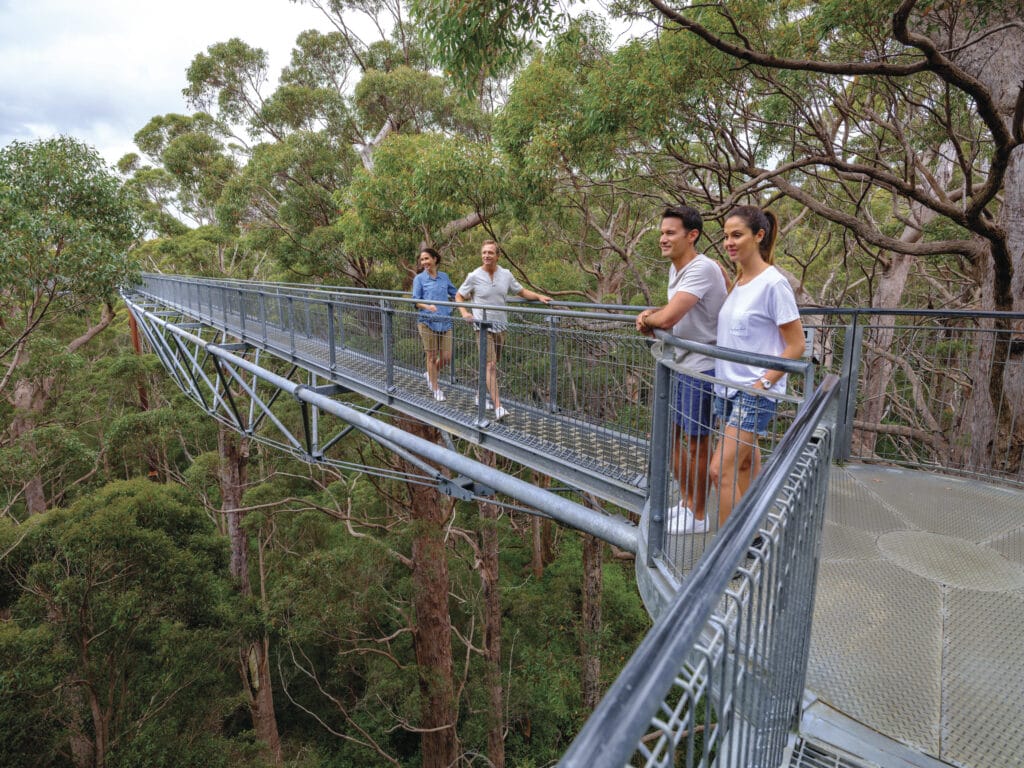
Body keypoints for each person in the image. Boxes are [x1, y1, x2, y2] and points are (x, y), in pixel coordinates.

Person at [709, 205, 805, 528]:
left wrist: (764, 383)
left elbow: (797, 346)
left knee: (719, 470)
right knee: (746, 463)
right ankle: (754, 533)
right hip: (729, 388)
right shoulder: (739, 281)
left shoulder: (773, 284)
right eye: (725, 236)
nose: (729, 242)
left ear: (758, 235)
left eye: (737, 235)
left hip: (754, 392)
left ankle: (727, 550)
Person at [636, 205, 728, 535]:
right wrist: (654, 315)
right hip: (684, 363)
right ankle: (689, 501)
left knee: (697, 443)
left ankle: (700, 515)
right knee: (673, 437)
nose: (663, 238)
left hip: (703, 368)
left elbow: (670, 318)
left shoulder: (700, 268)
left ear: (692, 236)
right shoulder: (679, 269)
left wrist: (649, 319)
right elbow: (672, 314)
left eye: (670, 232)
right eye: (662, 232)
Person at [456, 239, 552, 421]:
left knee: (491, 365)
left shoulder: (506, 275)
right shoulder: (474, 276)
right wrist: (464, 312)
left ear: (497, 256)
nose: (486, 256)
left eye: (490, 253)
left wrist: (538, 296)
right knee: (490, 365)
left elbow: (521, 292)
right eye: (484, 252)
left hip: (501, 326)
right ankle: (498, 407)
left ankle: (479, 395)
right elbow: (459, 295)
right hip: (482, 327)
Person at [412, 247, 457, 401]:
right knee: (431, 356)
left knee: (446, 357)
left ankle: (430, 374)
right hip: (427, 321)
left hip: (445, 320)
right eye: (422, 260)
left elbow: (455, 293)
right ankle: (436, 389)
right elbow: (416, 300)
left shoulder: (444, 277)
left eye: (427, 259)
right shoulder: (419, 279)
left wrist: (471, 295)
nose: (424, 262)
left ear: (435, 259)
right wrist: (427, 306)